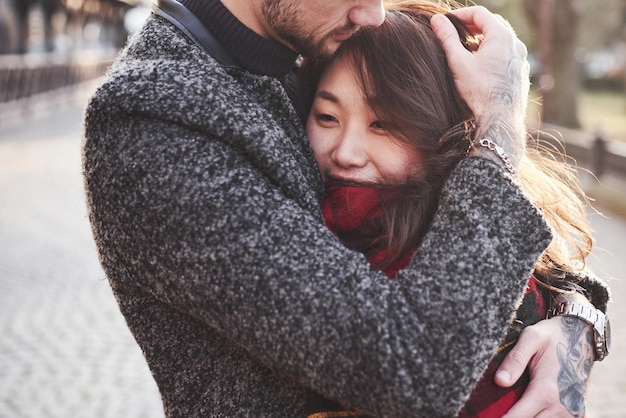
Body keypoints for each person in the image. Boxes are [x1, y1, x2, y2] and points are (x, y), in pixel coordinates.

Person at [81, 0, 609, 417]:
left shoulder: (306, 39)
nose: (374, 12)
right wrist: (498, 131)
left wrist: (575, 322)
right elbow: (412, 367)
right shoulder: (152, 120)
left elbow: (454, 203)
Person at [301, 2, 609, 417]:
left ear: (442, 130)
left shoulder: (491, 253)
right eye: (326, 117)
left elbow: (563, 281)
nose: (347, 152)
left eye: (384, 124)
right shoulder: (293, 214)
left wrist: (582, 321)